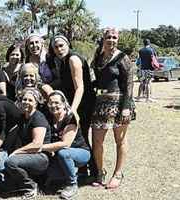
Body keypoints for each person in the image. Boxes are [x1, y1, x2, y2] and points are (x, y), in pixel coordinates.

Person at [90, 28, 135, 189]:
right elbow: (94, 77)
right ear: (103, 38)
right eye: (108, 37)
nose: (111, 40)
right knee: (97, 141)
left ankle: (118, 174)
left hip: (120, 104)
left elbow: (129, 83)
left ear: (118, 39)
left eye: (114, 37)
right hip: (101, 104)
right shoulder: (99, 57)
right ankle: (100, 172)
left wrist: (126, 107)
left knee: (120, 140)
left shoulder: (123, 58)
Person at [46, 34, 97, 176]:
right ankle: (82, 170)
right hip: (74, 103)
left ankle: (94, 171)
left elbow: (80, 87)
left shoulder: (73, 59)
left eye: (61, 45)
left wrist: (73, 110)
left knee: (83, 137)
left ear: (68, 45)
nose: (59, 49)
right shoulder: (61, 61)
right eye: (55, 47)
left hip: (83, 103)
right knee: (77, 138)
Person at [41, 90, 90, 199]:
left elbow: (66, 144)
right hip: (59, 154)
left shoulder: (70, 118)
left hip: (80, 152)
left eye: (57, 103)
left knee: (64, 153)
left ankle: (72, 184)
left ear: (64, 104)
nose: (53, 105)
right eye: (51, 103)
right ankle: (70, 176)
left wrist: (41, 147)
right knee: (51, 175)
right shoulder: (49, 119)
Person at [4, 88, 51, 199]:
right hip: (29, 155)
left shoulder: (38, 118)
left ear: (36, 103)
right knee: (6, 185)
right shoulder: (23, 117)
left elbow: (37, 144)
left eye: (30, 100)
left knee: (10, 162)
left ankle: (31, 186)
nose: (26, 102)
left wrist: (16, 152)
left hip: (41, 156)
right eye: (24, 99)